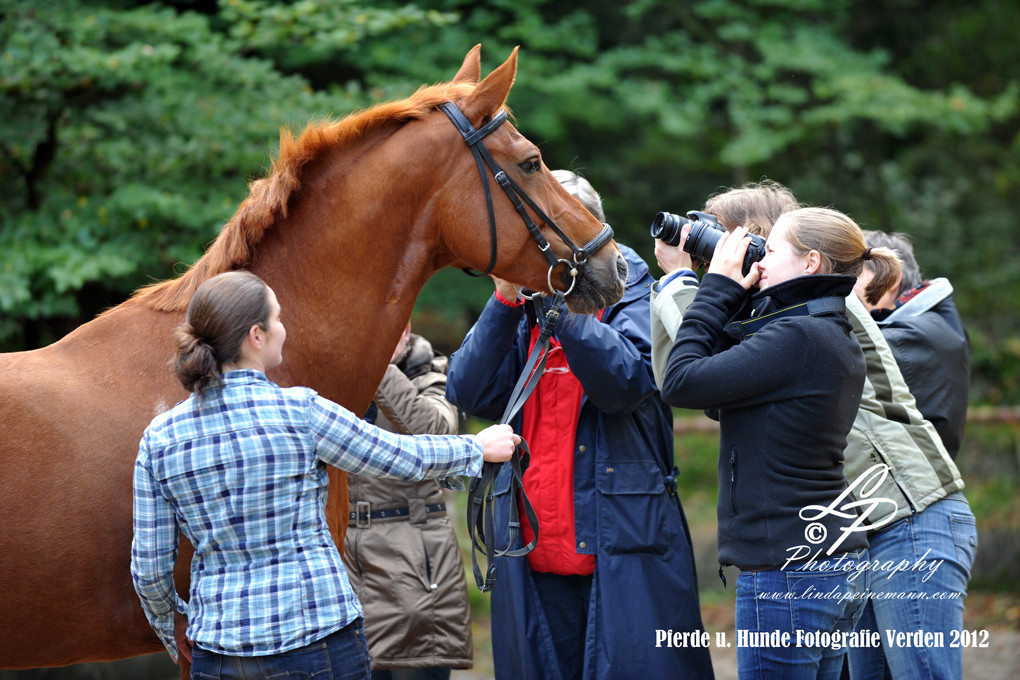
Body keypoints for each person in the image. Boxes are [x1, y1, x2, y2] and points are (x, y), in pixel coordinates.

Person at [131, 270, 519, 679]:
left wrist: (169, 620)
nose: (284, 329)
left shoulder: (160, 437)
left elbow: (149, 567)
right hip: (318, 641)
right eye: (277, 319)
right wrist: (476, 447)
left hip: (221, 650)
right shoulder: (300, 412)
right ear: (256, 336)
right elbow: (397, 455)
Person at [445, 170, 713, 680]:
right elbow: (467, 389)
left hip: (621, 545)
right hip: (532, 550)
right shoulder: (523, 303)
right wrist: (504, 299)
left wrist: (563, 305)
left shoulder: (633, 285)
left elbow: (627, 382)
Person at [659, 207, 901, 680]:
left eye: (768, 251)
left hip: (789, 570)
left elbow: (682, 381)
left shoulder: (799, 337)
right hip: (824, 560)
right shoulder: (819, 329)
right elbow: (720, 395)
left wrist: (716, 290)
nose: (759, 262)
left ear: (811, 262)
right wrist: (729, 291)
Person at [842, 233, 976, 680]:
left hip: (913, 525)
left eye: (847, 276)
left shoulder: (916, 334)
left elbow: (838, 360)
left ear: (885, 276)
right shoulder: (924, 325)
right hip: (884, 520)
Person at [344, 322, 472, 680]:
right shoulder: (333, 371)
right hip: (344, 564)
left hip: (415, 567)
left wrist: (375, 361)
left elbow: (438, 435)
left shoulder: (429, 367)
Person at [852, 230, 970, 458]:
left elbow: (838, 353)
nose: (843, 286)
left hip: (906, 484)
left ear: (891, 277)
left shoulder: (912, 336)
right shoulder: (932, 323)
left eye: (854, 273)